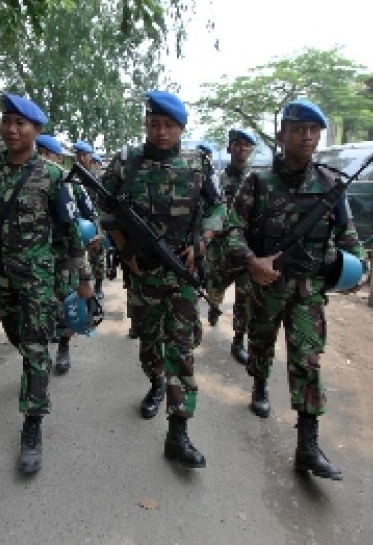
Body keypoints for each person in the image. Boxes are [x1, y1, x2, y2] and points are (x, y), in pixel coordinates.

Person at [223, 99, 367, 481]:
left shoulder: (331, 186)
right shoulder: (258, 182)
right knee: (262, 341)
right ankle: (258, 384)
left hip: (309, 290)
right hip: (266, 285)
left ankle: (307, 444)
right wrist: (252, 261)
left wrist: (356, 270)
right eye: (298, 129)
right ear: (282, 134)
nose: (306, 136)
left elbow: (350, 240)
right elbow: (231, 230)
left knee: (308, 359)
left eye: (313, 130)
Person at [100, 90, 224, 469]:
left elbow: (218, 207)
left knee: (181, 347)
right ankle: (156, 382)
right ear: (146, 125)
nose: (160, 132)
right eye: (154, 124)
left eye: (168, 125)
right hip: (142, 274)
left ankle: (178, 431)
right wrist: (122, 247)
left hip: (182, 273)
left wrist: (202, 242)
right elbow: (103, 204)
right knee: (150, 341)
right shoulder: (126, 163)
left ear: (181, 128)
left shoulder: (198, 165)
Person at [0, 95, 93, 474]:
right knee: (17, 336)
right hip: (3, 277)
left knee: (37, 348)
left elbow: (71, 233)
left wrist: (84, 277)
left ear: (36, 131)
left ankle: (32, 424)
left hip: (39, 279)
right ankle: (36, 372)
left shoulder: (54, 177)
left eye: (20, 123)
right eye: (7, 121)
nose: (11, 129)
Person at [35, 133, 96, 375]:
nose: (40, 157)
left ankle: (63, 347)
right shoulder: (24, 180)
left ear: (57, 157)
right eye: (37, 151)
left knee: (63, 300)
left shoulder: (70, 184)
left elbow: (89, 214)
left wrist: (94, 233)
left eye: (44, 153)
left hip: (63, 255)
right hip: (34, 256)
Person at [206, 128, 257, 366]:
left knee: (245, 294)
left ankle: (238, 340)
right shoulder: (217, 179)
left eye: (246, 145)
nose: (241, 149)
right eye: (237, 144)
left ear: (251, 150)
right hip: (220, 247)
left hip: (246, 247)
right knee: (215, 285)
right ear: (229, 148)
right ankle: (213, 306)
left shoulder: (256, 181)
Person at [73, 141, 106, 299]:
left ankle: (98, 286)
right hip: (76, 220)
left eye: (83, 155)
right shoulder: (71, 175)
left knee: (96, 256)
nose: (80, 158)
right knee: (75, 255)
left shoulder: (97, 177)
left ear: (90, 157)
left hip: (94, 219)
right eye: (78, 154)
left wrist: (100, 226)